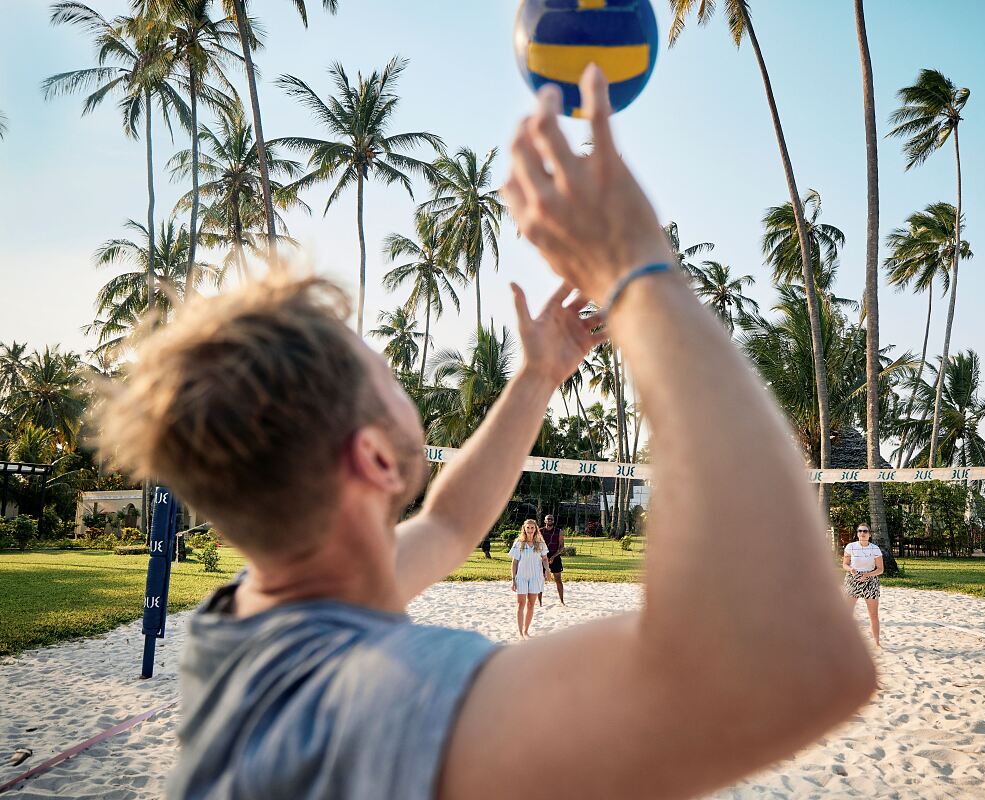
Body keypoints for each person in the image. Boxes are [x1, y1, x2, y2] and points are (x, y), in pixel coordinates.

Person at [98, 66, 874, 800]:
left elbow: (448, 522)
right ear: (370, 457)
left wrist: (536, 379)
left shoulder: (249, 623)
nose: (403, 382)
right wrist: (640, 272)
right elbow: (795, 663)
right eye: (386, 377)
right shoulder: (383, 700)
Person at [843, 522, 885, 647]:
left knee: (873, 614)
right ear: (857, 533)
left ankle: (877, 643)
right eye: (860, 531)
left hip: (870, 581)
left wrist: (867, 575)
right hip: (853, 579)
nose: (862, 533)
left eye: (865, 531)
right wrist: (851, 569)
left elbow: (880, 569)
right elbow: (845, 564)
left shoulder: (874, 548)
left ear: (869, 534)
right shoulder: (851, 546)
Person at [510, 519, 550, 638]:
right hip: (521, 577)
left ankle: (526, 630)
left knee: (531, 605)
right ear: (524, 528)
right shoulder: (518, 543)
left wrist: (547, 570)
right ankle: (520, 633)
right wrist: (513, 579)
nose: (530, 530)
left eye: (532, 528)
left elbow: (544, 559)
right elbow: (514, 562)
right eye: (528, 528)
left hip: (535, 577)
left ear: (536, 529)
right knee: (520, 604)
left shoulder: (540, 543)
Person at [539, 513, 566, 606]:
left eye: (551, 519)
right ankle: (540, 602)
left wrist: (554, 557)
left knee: (558, 579)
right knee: (540, 579)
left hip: (555, 556)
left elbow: (562, 547)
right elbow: (537, 545)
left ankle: (562, 601)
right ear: (545, 521)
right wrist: (544, 557)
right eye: (548, 519)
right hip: (543, 557)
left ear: (553, 521)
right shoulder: (540, 531)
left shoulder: (559, 531)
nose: (549, 520)